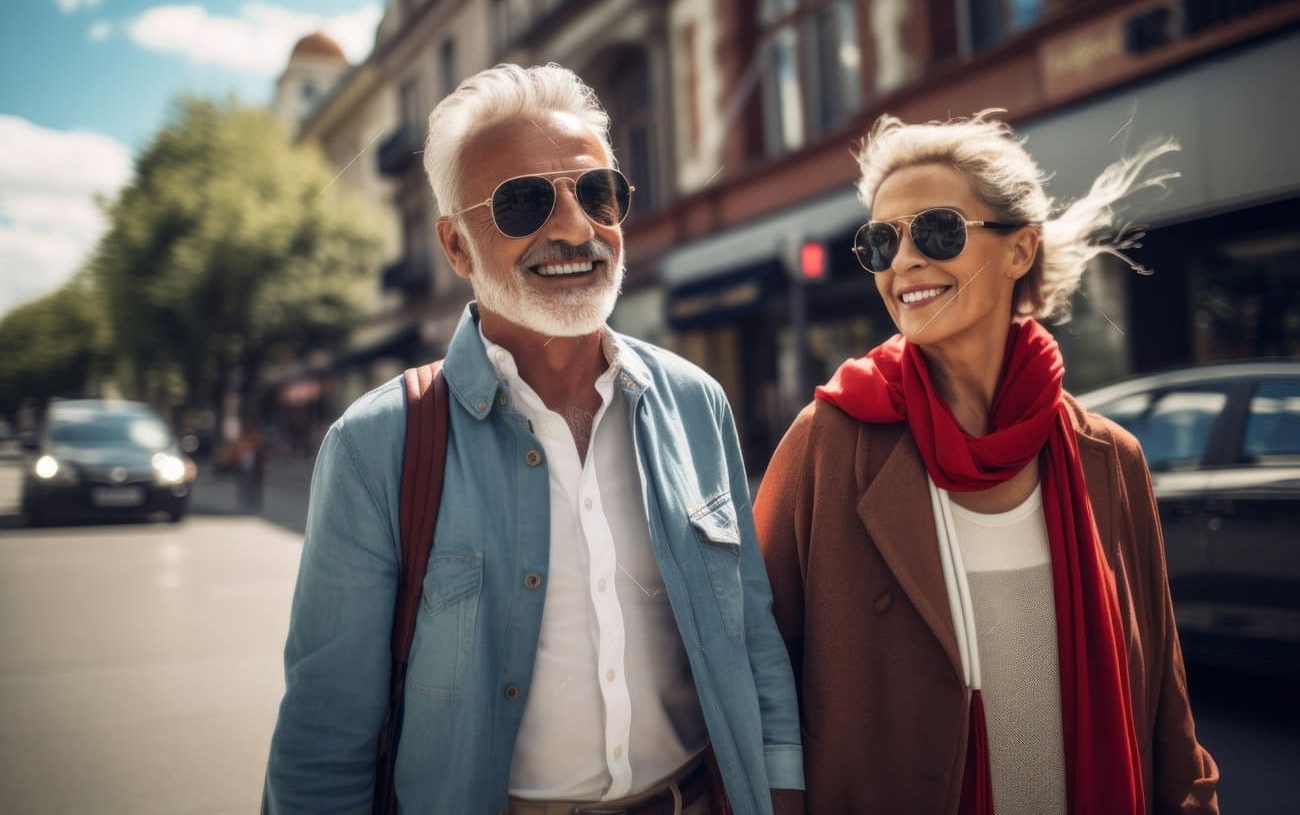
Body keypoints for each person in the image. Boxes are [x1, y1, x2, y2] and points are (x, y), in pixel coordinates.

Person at [263, 64, 804, 815]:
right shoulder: (374, 446)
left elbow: (752, 639)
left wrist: (780, 790)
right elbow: (324, 739)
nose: (576, 228)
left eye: (597, 193)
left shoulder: (694, 401)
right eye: (523, 203)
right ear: (456, 247)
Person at [754, 111, 1219, 814]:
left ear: (1019, 249)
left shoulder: (1111, 461)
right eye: (882, 241)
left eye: (936, 230)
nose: (905, 259)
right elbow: (751, 683)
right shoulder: (828, 441)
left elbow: (1167, 718)